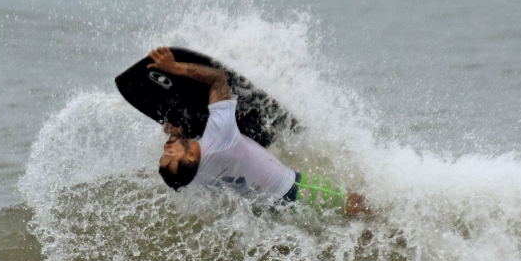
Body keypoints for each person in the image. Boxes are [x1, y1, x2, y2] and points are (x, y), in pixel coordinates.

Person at [148, 46, 369, 215]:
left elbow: (188, 164)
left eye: (163, 155)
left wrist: (176, 133)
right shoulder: (219, 138)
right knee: (356, 205)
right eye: (170, 154)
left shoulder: (191, 180)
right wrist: (175, 68)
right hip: (297, 191)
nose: (166, 148)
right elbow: (218, 80)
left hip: (270, 212)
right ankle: (389, 230)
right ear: (191, 154)